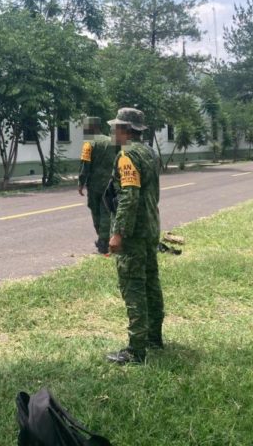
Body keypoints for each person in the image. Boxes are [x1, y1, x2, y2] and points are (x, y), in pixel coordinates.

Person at [105, 108, 164, 365]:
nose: (112, 131)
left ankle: (136, 350)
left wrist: (118, 233)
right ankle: (154, 338)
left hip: (134, 233)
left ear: (126, 130)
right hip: (150, 228)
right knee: (151, 282)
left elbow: (128, 197)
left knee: (134, 287)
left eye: (115, 127)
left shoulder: (127, 155)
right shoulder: (149, 152)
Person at [77, 117, 116, 254]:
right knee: (107, 211)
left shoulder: (89, 143)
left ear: (91, 127)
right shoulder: (111, 141)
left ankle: (102, 242)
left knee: (96, 212)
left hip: (95, 186)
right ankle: (106, 240)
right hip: (110, 184)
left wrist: (81, 183)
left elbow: (85, 165)